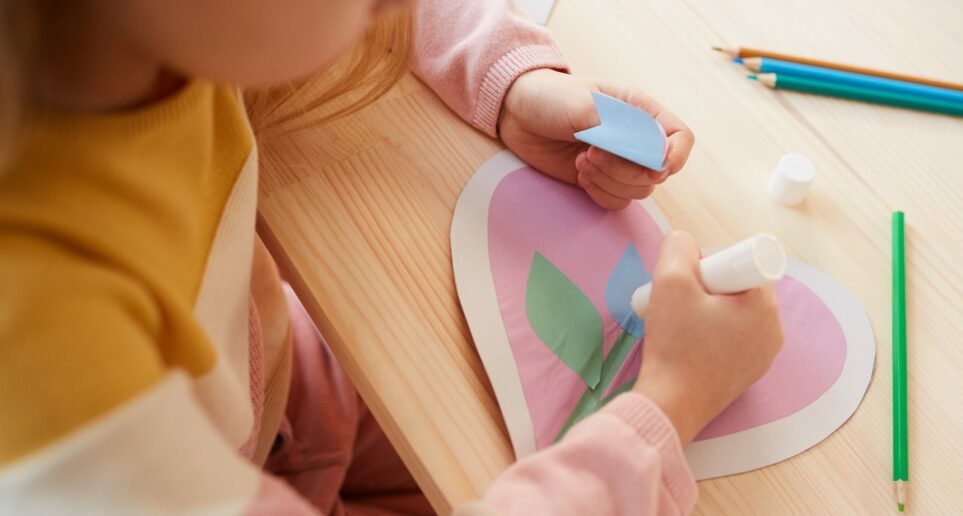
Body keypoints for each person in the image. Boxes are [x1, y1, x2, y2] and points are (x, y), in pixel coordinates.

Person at [0, 0, 784, 514]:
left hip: (271, 392)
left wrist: (511, 80)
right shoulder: (54, 389)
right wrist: (667, 407)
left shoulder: (127, 41)